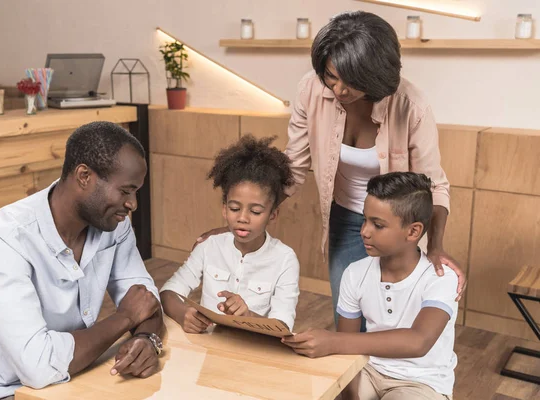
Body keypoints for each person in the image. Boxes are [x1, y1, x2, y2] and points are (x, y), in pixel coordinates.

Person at [196, 11, 465, 326]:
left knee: (391, 322)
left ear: (375, 75)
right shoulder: (311, 90)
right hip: (346, 220)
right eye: (331, 76)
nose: (338, 90)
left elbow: (432, 185)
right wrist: (243, 219)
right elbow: (293, 166)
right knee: (349, 317)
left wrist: (436, 246)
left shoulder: (412, 107)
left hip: (396, 226)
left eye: (351, 81)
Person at [0, 122, 163, 400]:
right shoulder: (3, 241)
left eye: (136, 192)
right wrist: (125, 318)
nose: (132, 203)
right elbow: (38, 366)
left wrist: (147, 339)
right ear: (84, 176)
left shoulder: (114, 225)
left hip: (74, 378)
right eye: (125, 191)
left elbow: (146, 301)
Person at [283, 172, 458, 400]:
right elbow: (347, 348)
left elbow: (419, 341)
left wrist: (332, 341)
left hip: (421, 383)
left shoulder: (441, 277)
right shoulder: (355, 274)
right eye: (365, 219)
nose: (364, 231)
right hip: (368, 369)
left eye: (378, 225)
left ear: (413, 231)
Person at [161, 135, 300, 332]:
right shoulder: (209, 246)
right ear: (224, 208)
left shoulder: (285, 259)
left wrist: (248, 316)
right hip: (208, 346)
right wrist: (183, 314)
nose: (243, 218)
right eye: (235, 208)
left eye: (255, 211)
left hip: (253, 350)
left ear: (272, 214)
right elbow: (168, 292)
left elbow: (283, 325)